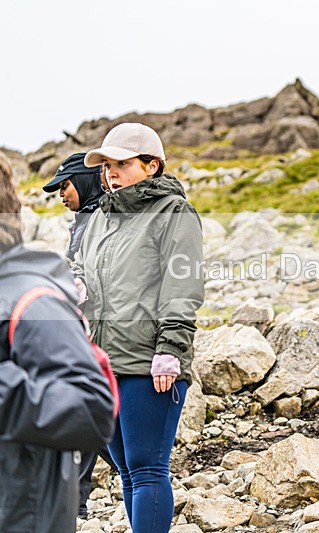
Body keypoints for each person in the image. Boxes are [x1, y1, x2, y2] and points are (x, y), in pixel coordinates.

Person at [73, 123, 205, 533]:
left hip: (151, 361)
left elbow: (183, 284)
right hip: (104, 361)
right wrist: (75, 282)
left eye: (121, 163)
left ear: (152, 166)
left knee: (148, 469)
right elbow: (84, 267)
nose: (111, 172)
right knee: (128, 471)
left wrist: (170, 349)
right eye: (106, 165)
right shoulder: (98, 218)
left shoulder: (175, 213)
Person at [0, 152, 116, 532]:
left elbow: (92, 408)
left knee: (138, 465)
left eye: (65, 186)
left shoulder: (29, 299)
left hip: (22, 517)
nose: (60, 196)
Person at [43, 152, 116, 518]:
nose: (60, 194)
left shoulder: (102, 220)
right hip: (86, 332)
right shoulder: (84, 221)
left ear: (85, 182)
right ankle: (83, 500)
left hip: (103, 334)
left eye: (65, 185)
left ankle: (85, 498)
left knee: (90, 413)